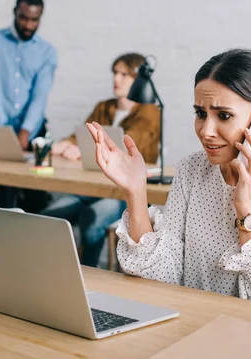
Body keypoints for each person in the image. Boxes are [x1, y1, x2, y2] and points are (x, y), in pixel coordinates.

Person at [86, 49, 251, 311]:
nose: (206, 131)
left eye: (223, 116)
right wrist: (135, 192)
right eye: (200, 113)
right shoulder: (191, 169)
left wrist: (246, 209)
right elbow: (163, 277)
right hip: (188, 328)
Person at [41, 53, 161, 267]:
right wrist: (66, 144)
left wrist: (84, 147)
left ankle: (88, 275)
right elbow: (81, 135)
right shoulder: (104, 107)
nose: (117, 79)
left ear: (138, 79)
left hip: (120, 192)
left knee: (92, 219)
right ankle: (50, 269)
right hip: (91, 186)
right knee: (48, 215)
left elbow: (129, 145)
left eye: (125, 74)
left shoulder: (150, 111)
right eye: (116, 73)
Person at [0, 0, 57, 150]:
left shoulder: (47, 52)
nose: (28, 25)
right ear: (15, 12)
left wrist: (26, 130)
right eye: (23, 18)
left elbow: (39, 96)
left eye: (34, 20)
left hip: (31, 134)